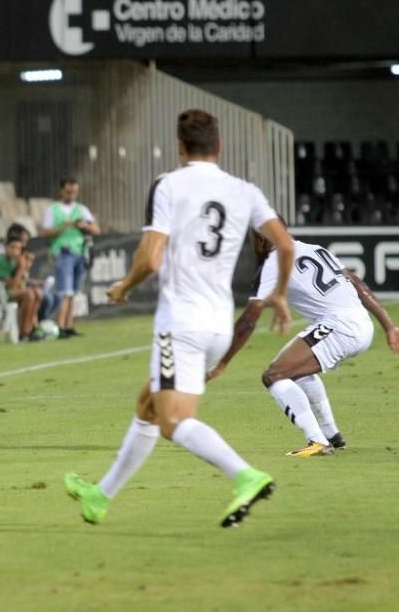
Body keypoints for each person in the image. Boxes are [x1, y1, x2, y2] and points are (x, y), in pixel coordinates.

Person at [64, 109, 295, 529]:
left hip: (181, 325)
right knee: (148, 403)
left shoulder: (169, 185)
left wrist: (124, 286)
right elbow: (285, 244)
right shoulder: (244, 190)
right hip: (219, 326)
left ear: (180, 147)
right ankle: (100, 495)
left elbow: (151, 257)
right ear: (219, 146)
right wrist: (278, 294)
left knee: (174, 422)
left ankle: (245, 475)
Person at [207, 224, 399, 455]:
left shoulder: (274, 262)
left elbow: (249, 320)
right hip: (360, 323)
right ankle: (332, 436)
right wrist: (388, 325)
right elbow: (357, 283)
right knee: (298, 370)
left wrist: (222, 363)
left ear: (260, 239)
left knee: (275, 375)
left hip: (338, 326)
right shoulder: (315, 249)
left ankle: (317, 442)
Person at [41, 177, 100, 338]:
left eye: (74, 192)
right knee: (64, 291)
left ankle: (68, 325)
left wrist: (84, 226)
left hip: (80, 252)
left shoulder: (81, 209)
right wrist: (62, 227)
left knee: (73, 292)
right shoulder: (52, 209)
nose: (72, 195)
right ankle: (60, 326)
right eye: (69, 192)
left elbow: (96, 229)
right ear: (61, 191)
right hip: (63, 253)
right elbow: (45, 232)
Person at [0, 233, 43, 341]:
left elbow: (18, 285)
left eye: (18, 248)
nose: (15, 251)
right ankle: (25, 333)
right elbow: (12, 286)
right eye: (13, 247)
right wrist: (21, 269)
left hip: (1, 293)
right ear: (5, 247)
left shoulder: (12, 262)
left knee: (37, 293)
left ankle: (29, 330)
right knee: (29, 294)